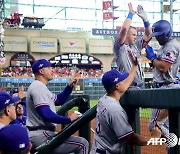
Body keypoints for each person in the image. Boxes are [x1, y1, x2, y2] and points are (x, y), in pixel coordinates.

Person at [90, 52, 161, 154]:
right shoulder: (115, 110)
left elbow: (125, 83)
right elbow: (130, 138)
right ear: (117, 86)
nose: (127, 81)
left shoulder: (103, 100)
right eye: (123, 80)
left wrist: (135, 66)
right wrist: (154, 139)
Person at [26, 59, 89, 154]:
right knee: (82, 144)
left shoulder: (40, 87)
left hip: (41, 132)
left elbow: (59, 100)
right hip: (41, 134)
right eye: (49, 67)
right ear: (41, 71)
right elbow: (46, 114)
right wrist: (68, 120)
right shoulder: (38, 87)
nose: (52, 69)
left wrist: (69, 86)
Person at [145, 20, 180, 137]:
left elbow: (163, 67)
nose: (157, 38)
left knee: (154, 125)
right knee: (168, 125)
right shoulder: (166, 45)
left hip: (167, 88)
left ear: (166, 34)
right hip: (167, 87)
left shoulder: (171, 46)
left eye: (158, 36)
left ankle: (174, 145)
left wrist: (153, 57)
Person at [113, 3, 152, 89]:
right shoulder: (119, 47)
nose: (135, 37)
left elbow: (149, 35)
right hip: (127, 87)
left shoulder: (135, 46)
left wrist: (145, 19)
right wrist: (130, 14)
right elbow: (124, 29)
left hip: (140, 86)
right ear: (126, 35)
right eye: (133, 35)